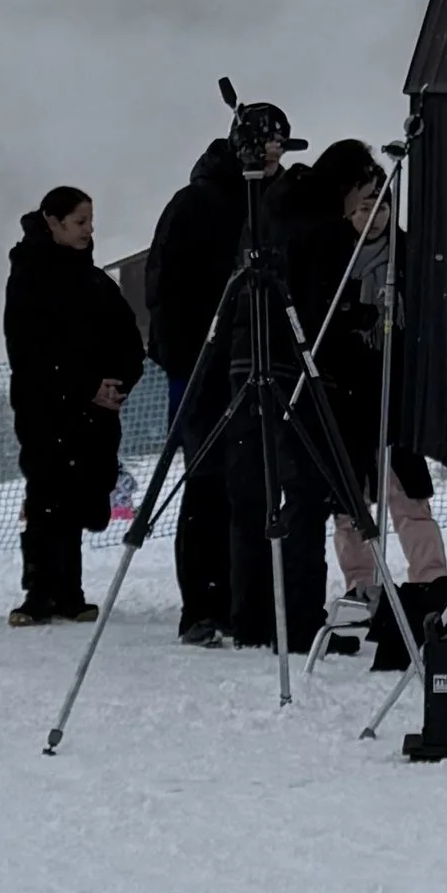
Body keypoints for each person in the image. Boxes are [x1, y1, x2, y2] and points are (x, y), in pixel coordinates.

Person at [287, 139, 447, 649]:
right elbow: (316, 319)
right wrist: (349, 323)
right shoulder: (330, 254)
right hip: (347, 395)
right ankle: (362, 582)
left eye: (381, 204)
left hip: (396, 390)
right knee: (351, 499)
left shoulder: (408, 252)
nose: (374, 216)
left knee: (407, 492)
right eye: (364, 206)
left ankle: (431, 579)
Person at [145, 103, 293, 648]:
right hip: (203, 366)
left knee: (254, 484)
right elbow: (163, 292)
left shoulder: (278, 204)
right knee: (206, 482)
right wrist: (185, 360)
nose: (271, 153)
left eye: (280, 143)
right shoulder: (195, 205)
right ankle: (203, 605)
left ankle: (247, 601)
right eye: (264, 143)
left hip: (262, 360)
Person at [3, 186, 145, 626]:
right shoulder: (29, 277)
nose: (88, 231)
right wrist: (87, 386)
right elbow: (30, 351)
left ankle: (70, 590)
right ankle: (39, 592)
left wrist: (117, 386)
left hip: (94, 413)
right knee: (47, 495)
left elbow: (127, 340)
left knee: (83, 491)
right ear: (53, 221)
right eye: (80, 222)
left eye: (90, 222)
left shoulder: (95, 280)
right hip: (46, 409)